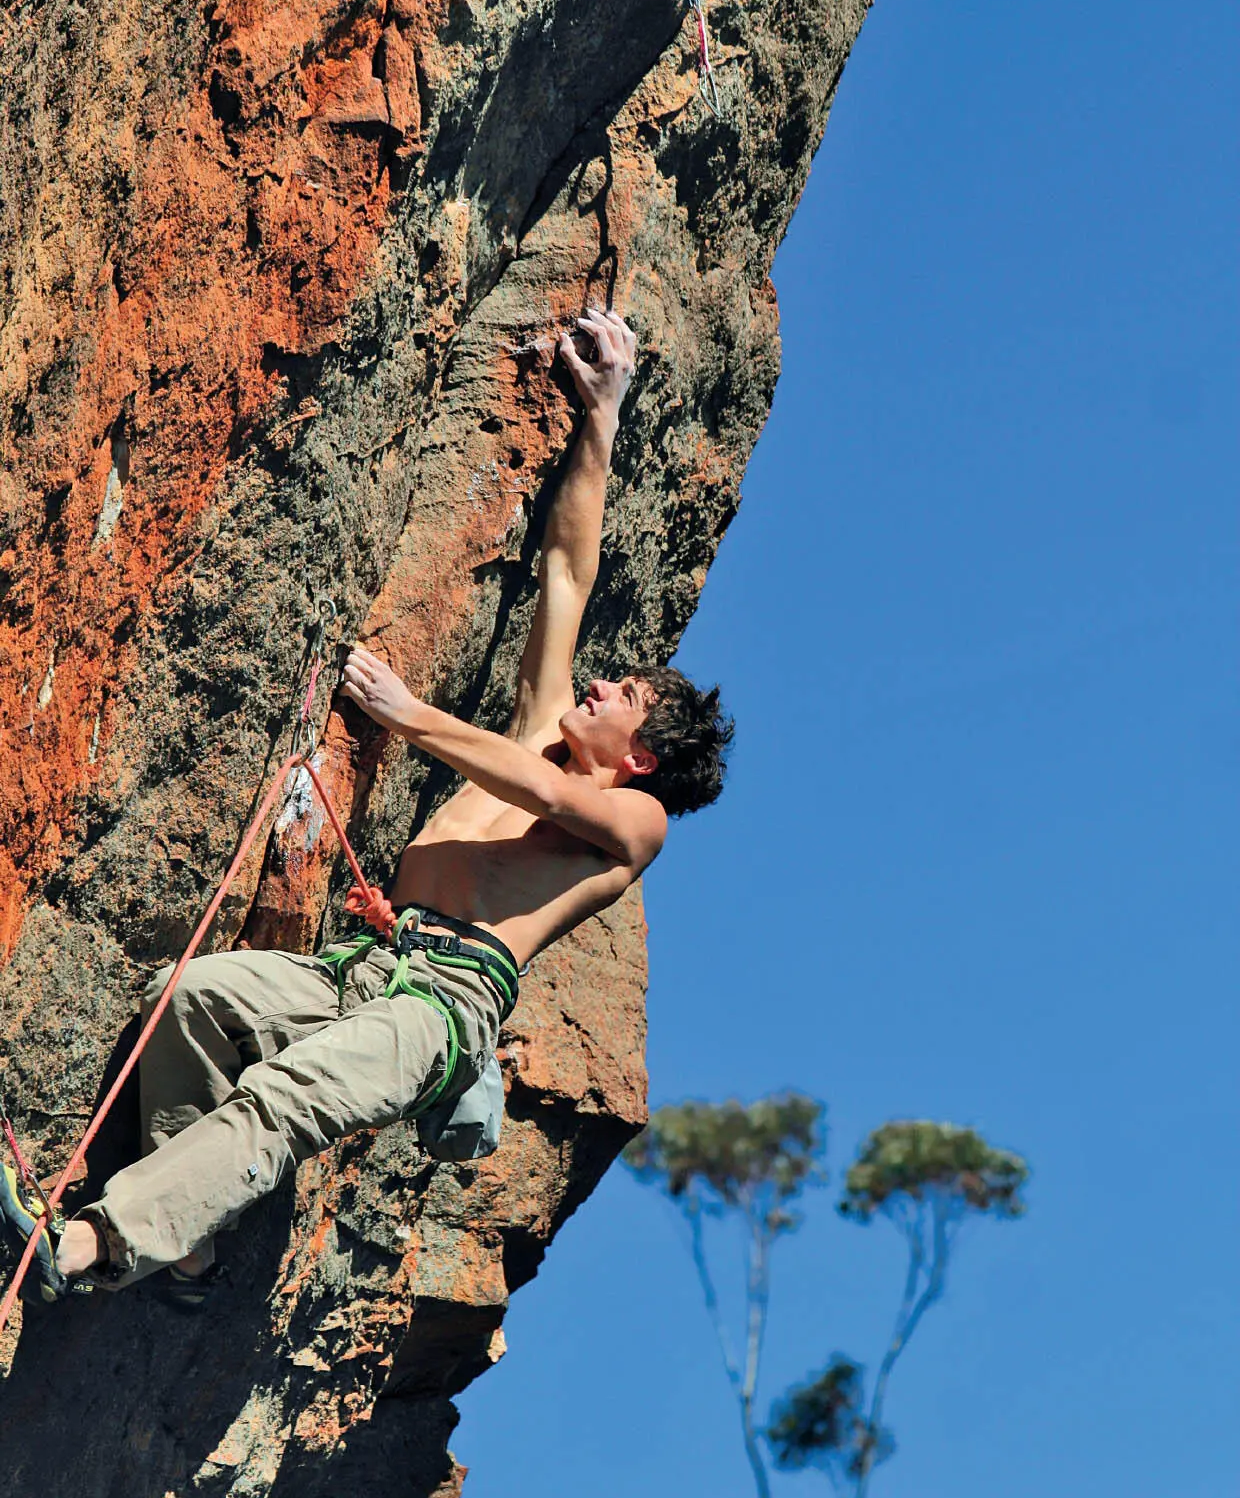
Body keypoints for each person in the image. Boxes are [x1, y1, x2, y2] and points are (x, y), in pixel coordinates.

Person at [2, 308, 733, 1305]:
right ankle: (190, 1251)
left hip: (440, 1008)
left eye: (622, 698)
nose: (597, 687)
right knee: (196, 1001)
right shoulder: (536, 730)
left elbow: (542, 791)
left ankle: (86, 1249)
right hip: (374, 964)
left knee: (287, 1097)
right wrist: (601, 413)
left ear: (642, 757)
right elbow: (568, 570)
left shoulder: (629, 827)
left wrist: (405, 711)